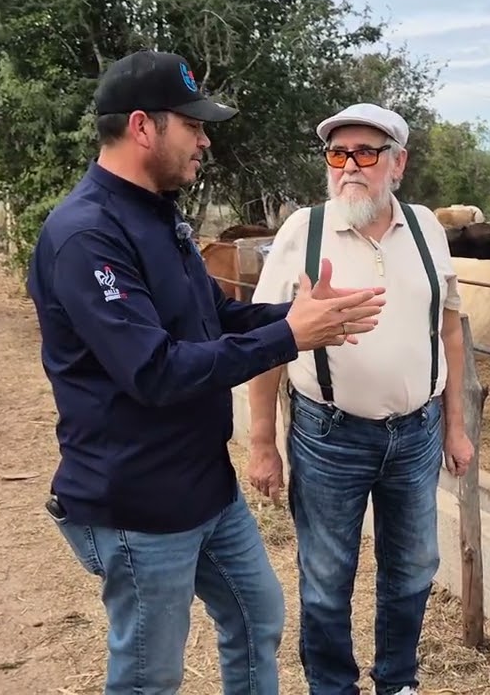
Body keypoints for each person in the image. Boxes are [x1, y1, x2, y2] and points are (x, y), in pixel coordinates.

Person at [24, 50, 386, 695]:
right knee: (149, 676)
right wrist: (288, 337)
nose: (205, 138)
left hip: (202, 485)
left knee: (256, 617)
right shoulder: (88, 236)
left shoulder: (160, 216)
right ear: (143, 127)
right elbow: (154, 371)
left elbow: (212, 316)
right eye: (192, 124)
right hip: (138, 499)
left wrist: (298, 313)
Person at [245, 103, 475, 695]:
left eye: (365, 154)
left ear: (398, 164)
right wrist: (263, 443)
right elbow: (267, 343)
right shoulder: (304, 231)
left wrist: (455, 426)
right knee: (326, 578)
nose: (349, 166)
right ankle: (332, 687)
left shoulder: (425, 226)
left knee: (414, 568)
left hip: (417, 434)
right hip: (329, 438)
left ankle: (397, 681)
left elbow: (447, 326)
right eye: (337, 154)